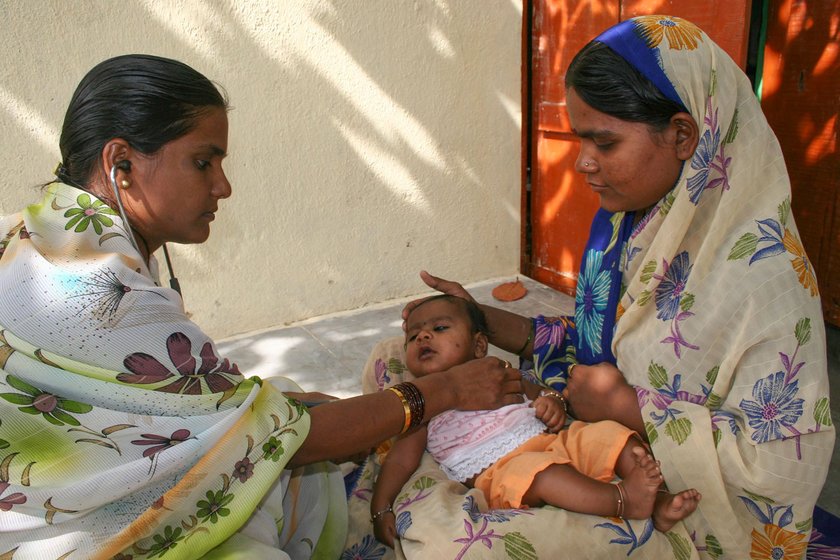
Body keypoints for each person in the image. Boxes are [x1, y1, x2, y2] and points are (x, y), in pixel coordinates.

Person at [0, 55, 525, 559]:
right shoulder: (98, 291)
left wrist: (345, 409)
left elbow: (205, 411)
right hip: (67, 535)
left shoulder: (48, 229)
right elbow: (277, 440)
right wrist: (444, 390)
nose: (222, 187)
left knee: (288, 401)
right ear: (122, 165)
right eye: (203, 162)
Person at [403, 15, 834, 559]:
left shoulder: (761, 275)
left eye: (603, 143)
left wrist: (632, 409)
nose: (582, 162)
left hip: (672, 499)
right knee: (397, 361)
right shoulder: (635, 226)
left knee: (454, 546)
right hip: (588, 439)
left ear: (682, 135)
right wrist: (477, 321)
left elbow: (784, 467)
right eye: (582, 138)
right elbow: (601, 341)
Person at [371, 295, 700, 548]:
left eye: (439, 329)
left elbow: (543, 392)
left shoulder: (498, 371)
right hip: (501, 469)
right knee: (543, 475)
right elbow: (401, 459)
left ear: (479, 345)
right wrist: (382, 506)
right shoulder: (423, 400)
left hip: (555, 441)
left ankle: (656, 501)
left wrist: (552, 403)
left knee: (611, 435)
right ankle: (623, 500)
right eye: (413, 337)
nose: (424, 337)